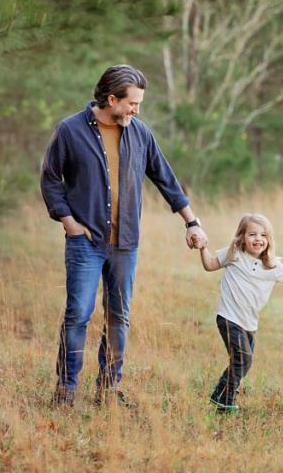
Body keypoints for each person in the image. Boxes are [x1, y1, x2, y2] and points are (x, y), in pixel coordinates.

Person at [40, 64, 208, 408]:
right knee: (78, 314)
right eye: (132, 103)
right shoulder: (70, 131)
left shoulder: (140, 133)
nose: (136, 110)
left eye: (139, 104)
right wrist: (69, 221)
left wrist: (191, 222)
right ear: (112, 99)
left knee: (119, 315)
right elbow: (50, 179)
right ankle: (67, 389)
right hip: (85, 242)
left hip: (125, 242)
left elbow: (165, 178)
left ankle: (109, 389)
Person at [195, 213, 283, 413]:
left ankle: (221, 396)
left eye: (263, 235)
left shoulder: (272, 266)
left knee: (243, 362)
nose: (258, 239)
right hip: (228, 317)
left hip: (250, 323)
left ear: (269, 240)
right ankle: (225, 399)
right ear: (241, 237)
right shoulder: (233, 255)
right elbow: (209, 264)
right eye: (252, 234)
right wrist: (202, 248)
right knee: (243, 358)